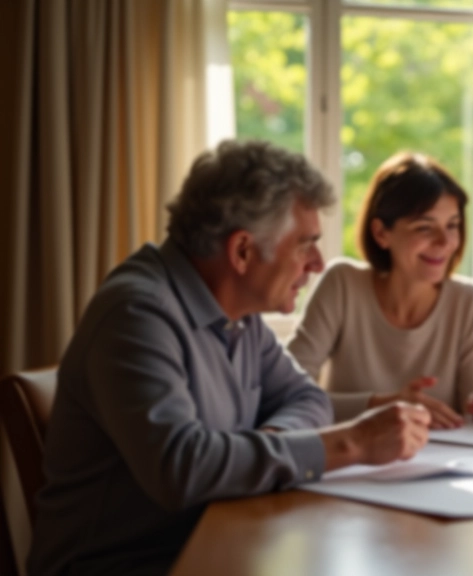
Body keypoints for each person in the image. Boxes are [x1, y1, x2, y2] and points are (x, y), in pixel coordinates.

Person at [28, 141, 432, 576]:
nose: (316, 263)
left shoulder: (239, 315)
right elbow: (183, 468)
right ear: (242, 251)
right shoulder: (136, 314)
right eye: (304, 245)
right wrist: (354, 443)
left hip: (209, 544)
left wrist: (270, 445)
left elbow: (306, 397)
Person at [287, 152, 473, 429]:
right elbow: (287, 396)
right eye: (425, 228)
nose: (444, 242)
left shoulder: (471, 302)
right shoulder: (342, 285)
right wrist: (381, 406)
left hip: (440, 463)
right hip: (349, 462)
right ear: (381, 233)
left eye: (452, 225)